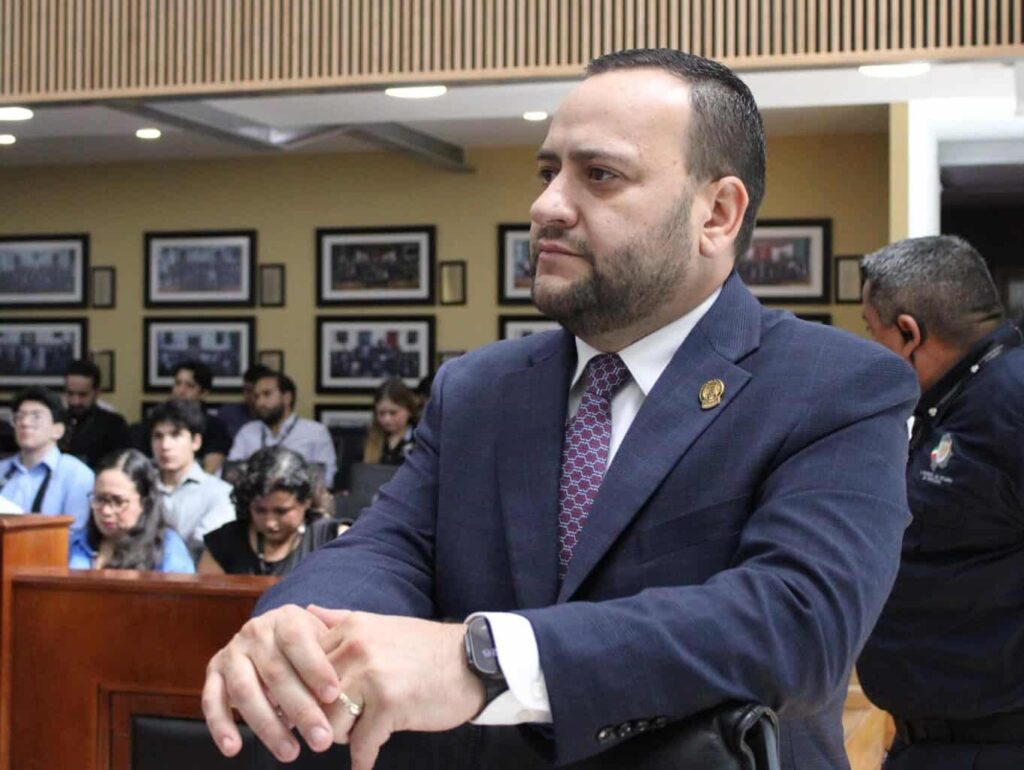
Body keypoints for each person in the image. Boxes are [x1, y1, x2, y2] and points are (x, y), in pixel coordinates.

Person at [203, 49, 918, 770]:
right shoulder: (477, 388)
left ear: (717, 213)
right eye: (548, 172)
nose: (546, 206)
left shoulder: (834, 386)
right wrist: (299, 625)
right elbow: (392, 546)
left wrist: (485, 660)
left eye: (599, 174)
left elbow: (799, 621)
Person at [856, 236, 1024, 770]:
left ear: (909, 333)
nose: (869, 350)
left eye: (872, 332)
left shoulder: (1011, 404)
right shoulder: (955, 404)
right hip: (930, 740)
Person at [198, 447, 344, 576]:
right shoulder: (223, 544)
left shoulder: (335, 539)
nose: (270, 523)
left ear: (306, 501)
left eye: (281, 511)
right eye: (260, 510)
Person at [69, 448, 194, 573]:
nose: (106, 511)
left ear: (144, 502)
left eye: (118, 502)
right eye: (100, 499)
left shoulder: (167, 548)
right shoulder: (76, 544)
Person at [149, 399, 236, 561]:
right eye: (158, 436)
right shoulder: (138, 488)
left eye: (175, 435)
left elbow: (205, 550)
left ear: (196, 442)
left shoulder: (221, 493)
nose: (165, 445)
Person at [0, 386, 94, 535]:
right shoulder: (2, 470)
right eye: (19, 417)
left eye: (36, 417)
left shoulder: (76, 475)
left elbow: (77, 536)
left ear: (58, 430)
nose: (25, 423)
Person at [228, 372, 337, 486]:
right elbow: (230, 474)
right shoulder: (247, 432)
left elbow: (326, 479)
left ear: (287, 398)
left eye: (267, 394)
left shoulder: (315, 432)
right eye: (257, 396)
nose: (259, 402)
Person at [61, 359, 133, 468]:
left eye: (82, 395)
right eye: (70, 394)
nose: (75, 401)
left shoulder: (114, 425)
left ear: (97, 393)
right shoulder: (55, 420)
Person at [170, 360, 232, 474]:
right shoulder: (159, 423)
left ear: (204, 393)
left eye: (189, 386)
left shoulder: (215, 427)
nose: (181, 391)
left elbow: (209, 472)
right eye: (178, 383)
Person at [362, 378, 420, 465]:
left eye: (393, 413)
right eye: (381, 413)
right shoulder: (369, 440)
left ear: (409, 411)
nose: (387, 419)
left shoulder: (420, 439)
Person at [216, 364, 274, 440]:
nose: (248, 396)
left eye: (252, 391)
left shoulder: (276, 416)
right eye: (246, 390)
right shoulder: (228, 414)